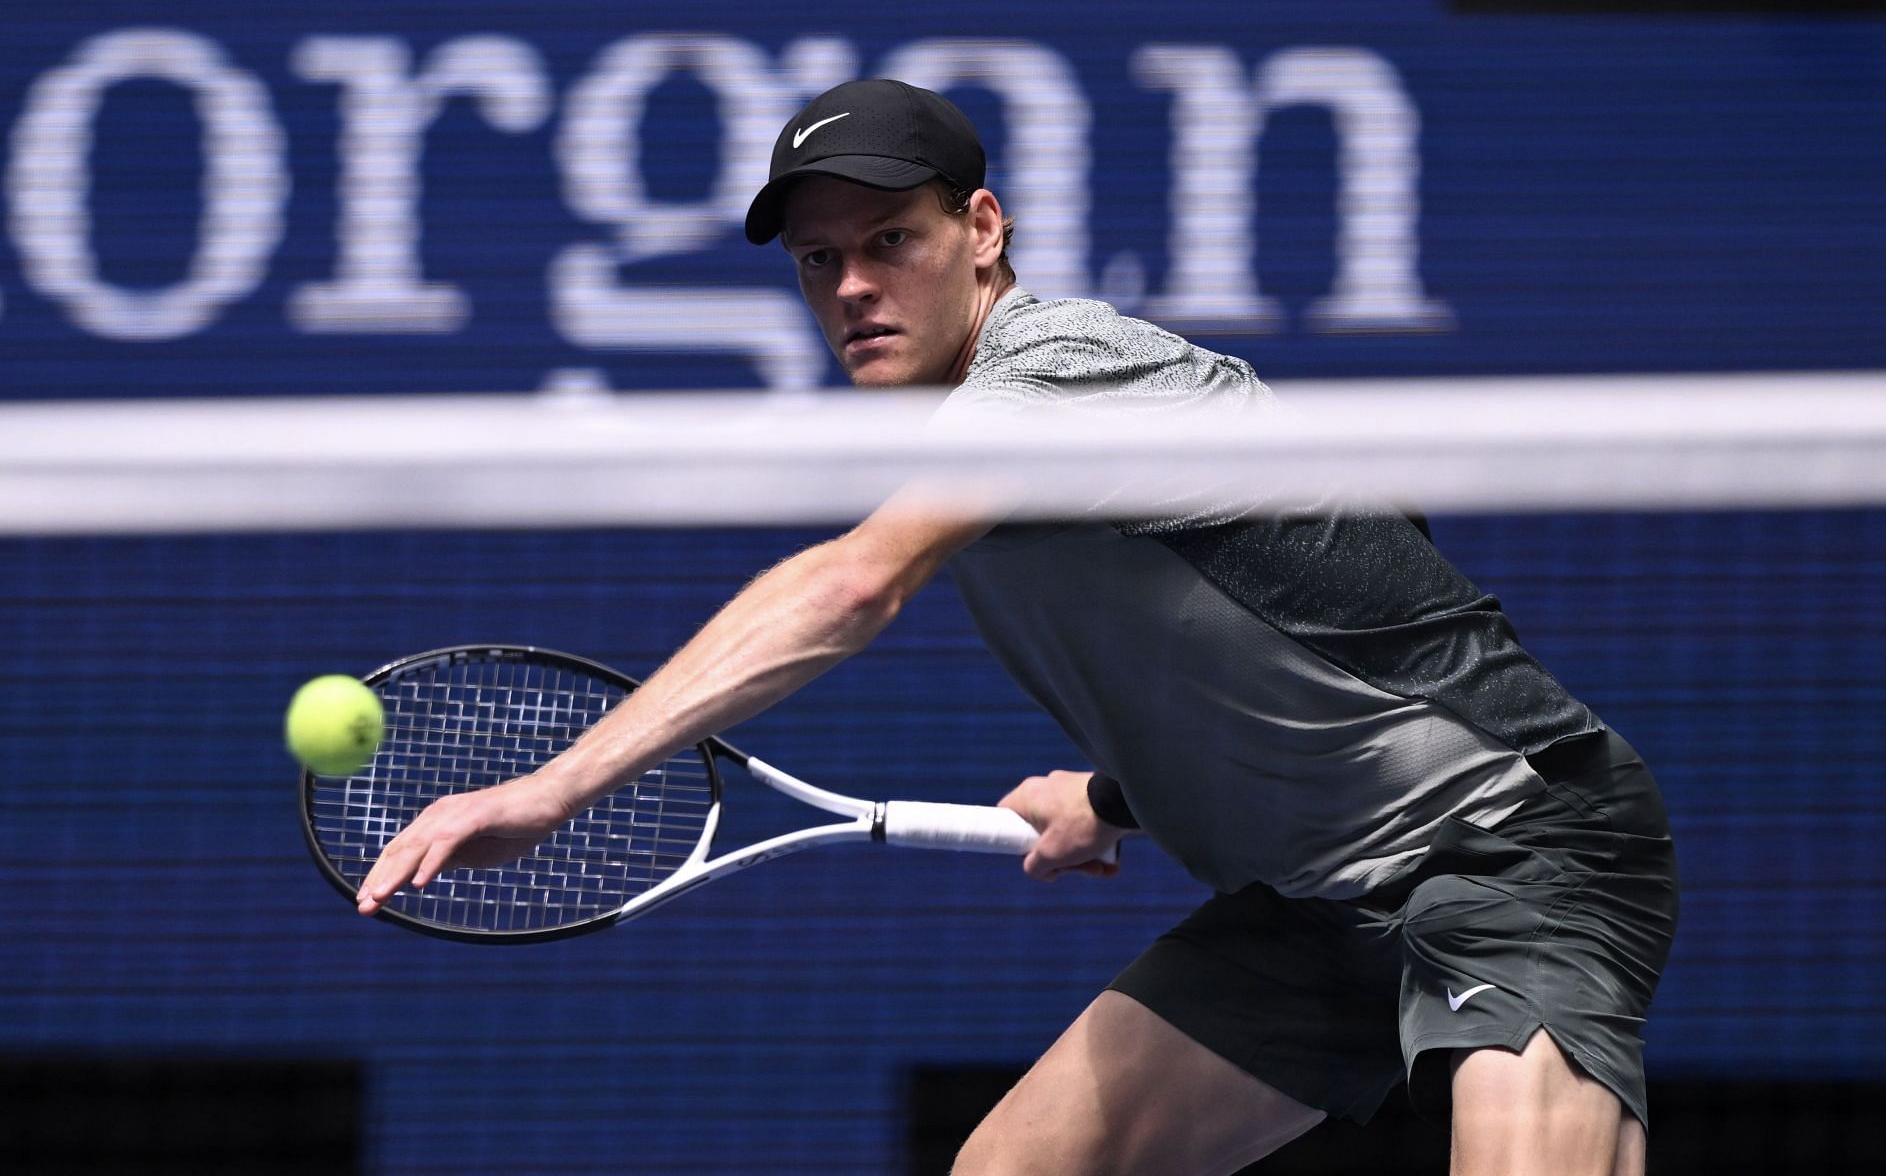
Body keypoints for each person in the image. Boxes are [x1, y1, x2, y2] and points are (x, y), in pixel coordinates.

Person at [357, 79, 1680, 1176]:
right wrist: (1119, 796)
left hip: (1518, 852)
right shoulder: (980, 443)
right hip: (1316, 907)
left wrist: (557, 787)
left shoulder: (1054, 377)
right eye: (823, 260)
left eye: (894, 241)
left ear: (983, 228)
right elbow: (1310, 646)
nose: (854, 287)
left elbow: (851, 587)